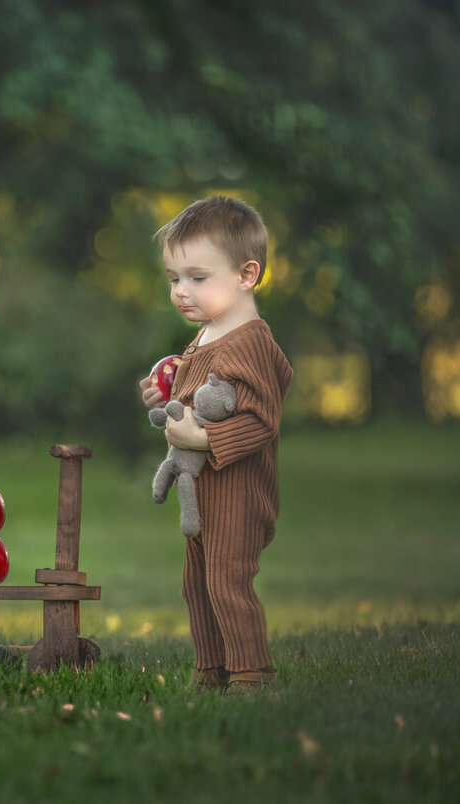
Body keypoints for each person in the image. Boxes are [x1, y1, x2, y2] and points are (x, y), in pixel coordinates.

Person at [138, 195, 293, 694]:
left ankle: (250, 673)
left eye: (197, 278)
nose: (181, 291)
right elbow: (204, 387)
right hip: (203, 496)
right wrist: (168, 385)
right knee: (197, 584)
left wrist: (203, 438)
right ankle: (212, 670)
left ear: (246, 275)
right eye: (173, 279)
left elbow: (258, 420)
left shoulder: (250, 339)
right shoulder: (209, 332)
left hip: (237, 494)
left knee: (227, 583)